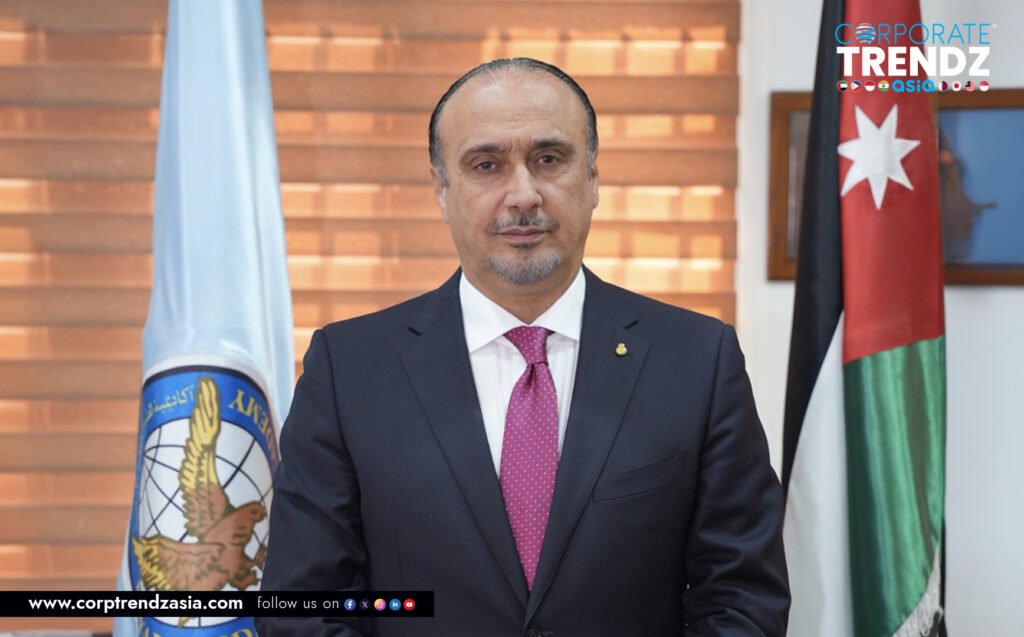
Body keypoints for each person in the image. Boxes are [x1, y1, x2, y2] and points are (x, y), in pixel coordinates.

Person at [257, 58, 789, 637]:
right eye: (486, 165)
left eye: (550, 159)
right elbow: (305, 605)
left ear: (592, 180)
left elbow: (741, 599)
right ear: (442, 189)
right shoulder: (349, 368)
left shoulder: (697, 361)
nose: (522, 195)